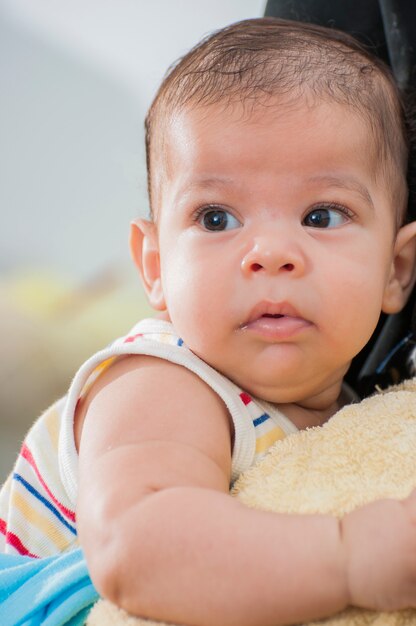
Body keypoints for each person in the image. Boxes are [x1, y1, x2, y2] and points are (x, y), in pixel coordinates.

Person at [1, 17, 416, 626]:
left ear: (397, 270)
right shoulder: (161, 381)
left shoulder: (362, 407)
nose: (271, 252)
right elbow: (136, 550)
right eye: (217, 218)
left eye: (323, 215)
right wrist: (352, 556)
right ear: (156, 267)